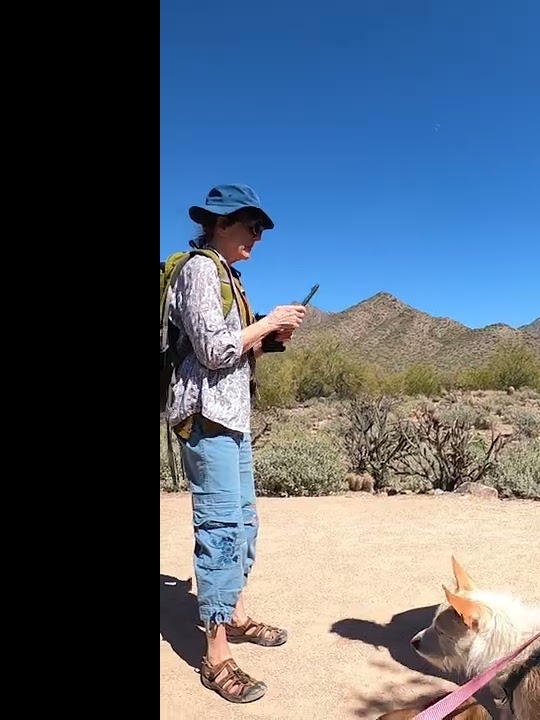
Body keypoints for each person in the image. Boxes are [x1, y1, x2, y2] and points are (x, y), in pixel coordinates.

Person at [163, 183, 308, 703]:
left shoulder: (229, 277)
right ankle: (216, 654)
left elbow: (234, 352)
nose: (258, 236)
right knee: (222, 527)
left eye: (262, 229)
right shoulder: (200, 270)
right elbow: (213, 350)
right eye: (251, 225)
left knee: (243, 523)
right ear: (219, 224)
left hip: (231, 418)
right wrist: (266, 322)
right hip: (207, 418)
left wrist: (269, 339)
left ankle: (235, 614)